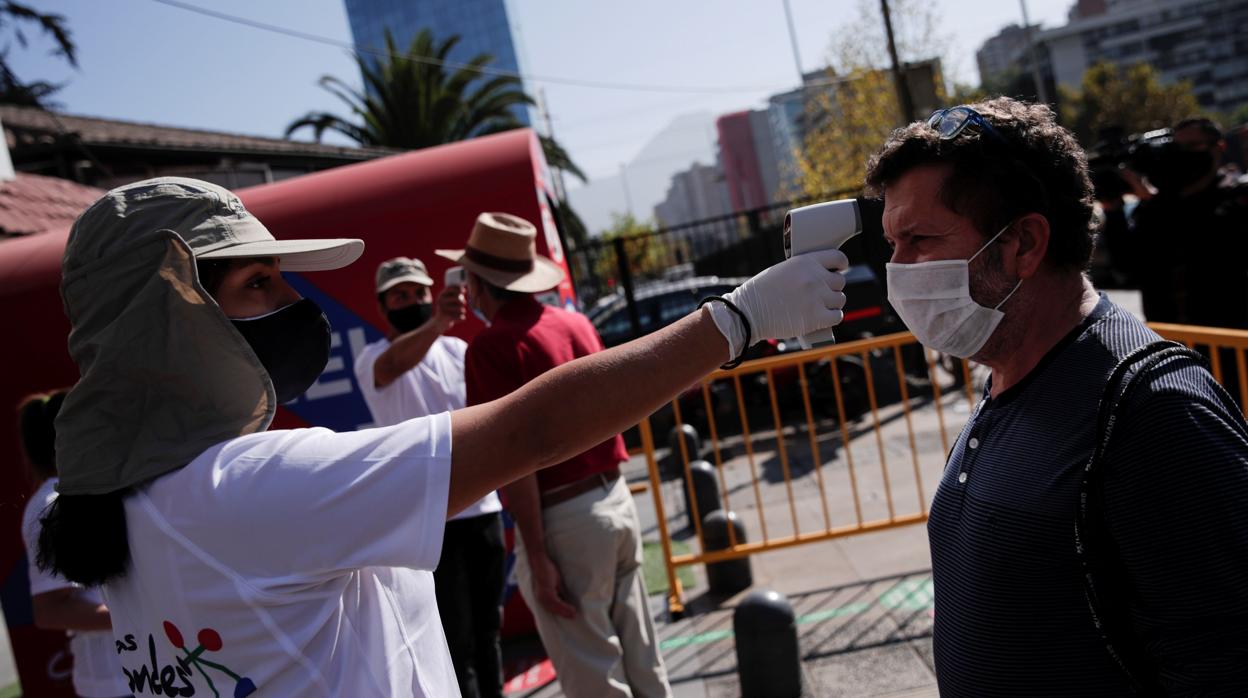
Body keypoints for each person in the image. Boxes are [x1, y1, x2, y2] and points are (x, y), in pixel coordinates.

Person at [35, 177, 848, 696]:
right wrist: (739, 319)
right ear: (171, 314)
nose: (293, 301)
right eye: (259, 282)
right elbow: (528, 429)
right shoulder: (245, 488)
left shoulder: (119, 499)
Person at [864, 97, 1248, 694]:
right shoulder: (1004, 377)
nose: (897, 268)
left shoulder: (1155, 413)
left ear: (1023, 243)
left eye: (917, 239)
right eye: (892, 244)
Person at [439, 213, 667, 697]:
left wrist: (537, 555)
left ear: (479, 283)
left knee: (594, 676)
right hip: (616, 499)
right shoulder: (575, 323)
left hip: (563, 521)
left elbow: (513, 460)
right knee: (643, 659)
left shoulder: (492, 347)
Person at [353, 256, 507, 698]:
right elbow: (395, 365)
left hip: (483, 511)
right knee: (455, 642)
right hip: (428, 522)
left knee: (488, 632)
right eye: (400, 295)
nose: (412, 301)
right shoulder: (372, 360)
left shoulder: (460, 353)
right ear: (382, 307)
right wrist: (438, 320)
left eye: (419, 292)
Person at [18, 390, 131, 698]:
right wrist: (143, 613)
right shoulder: (53, 503)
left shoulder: (86, 490)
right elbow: (51, 611)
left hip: (143, 673)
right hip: (114, 683)